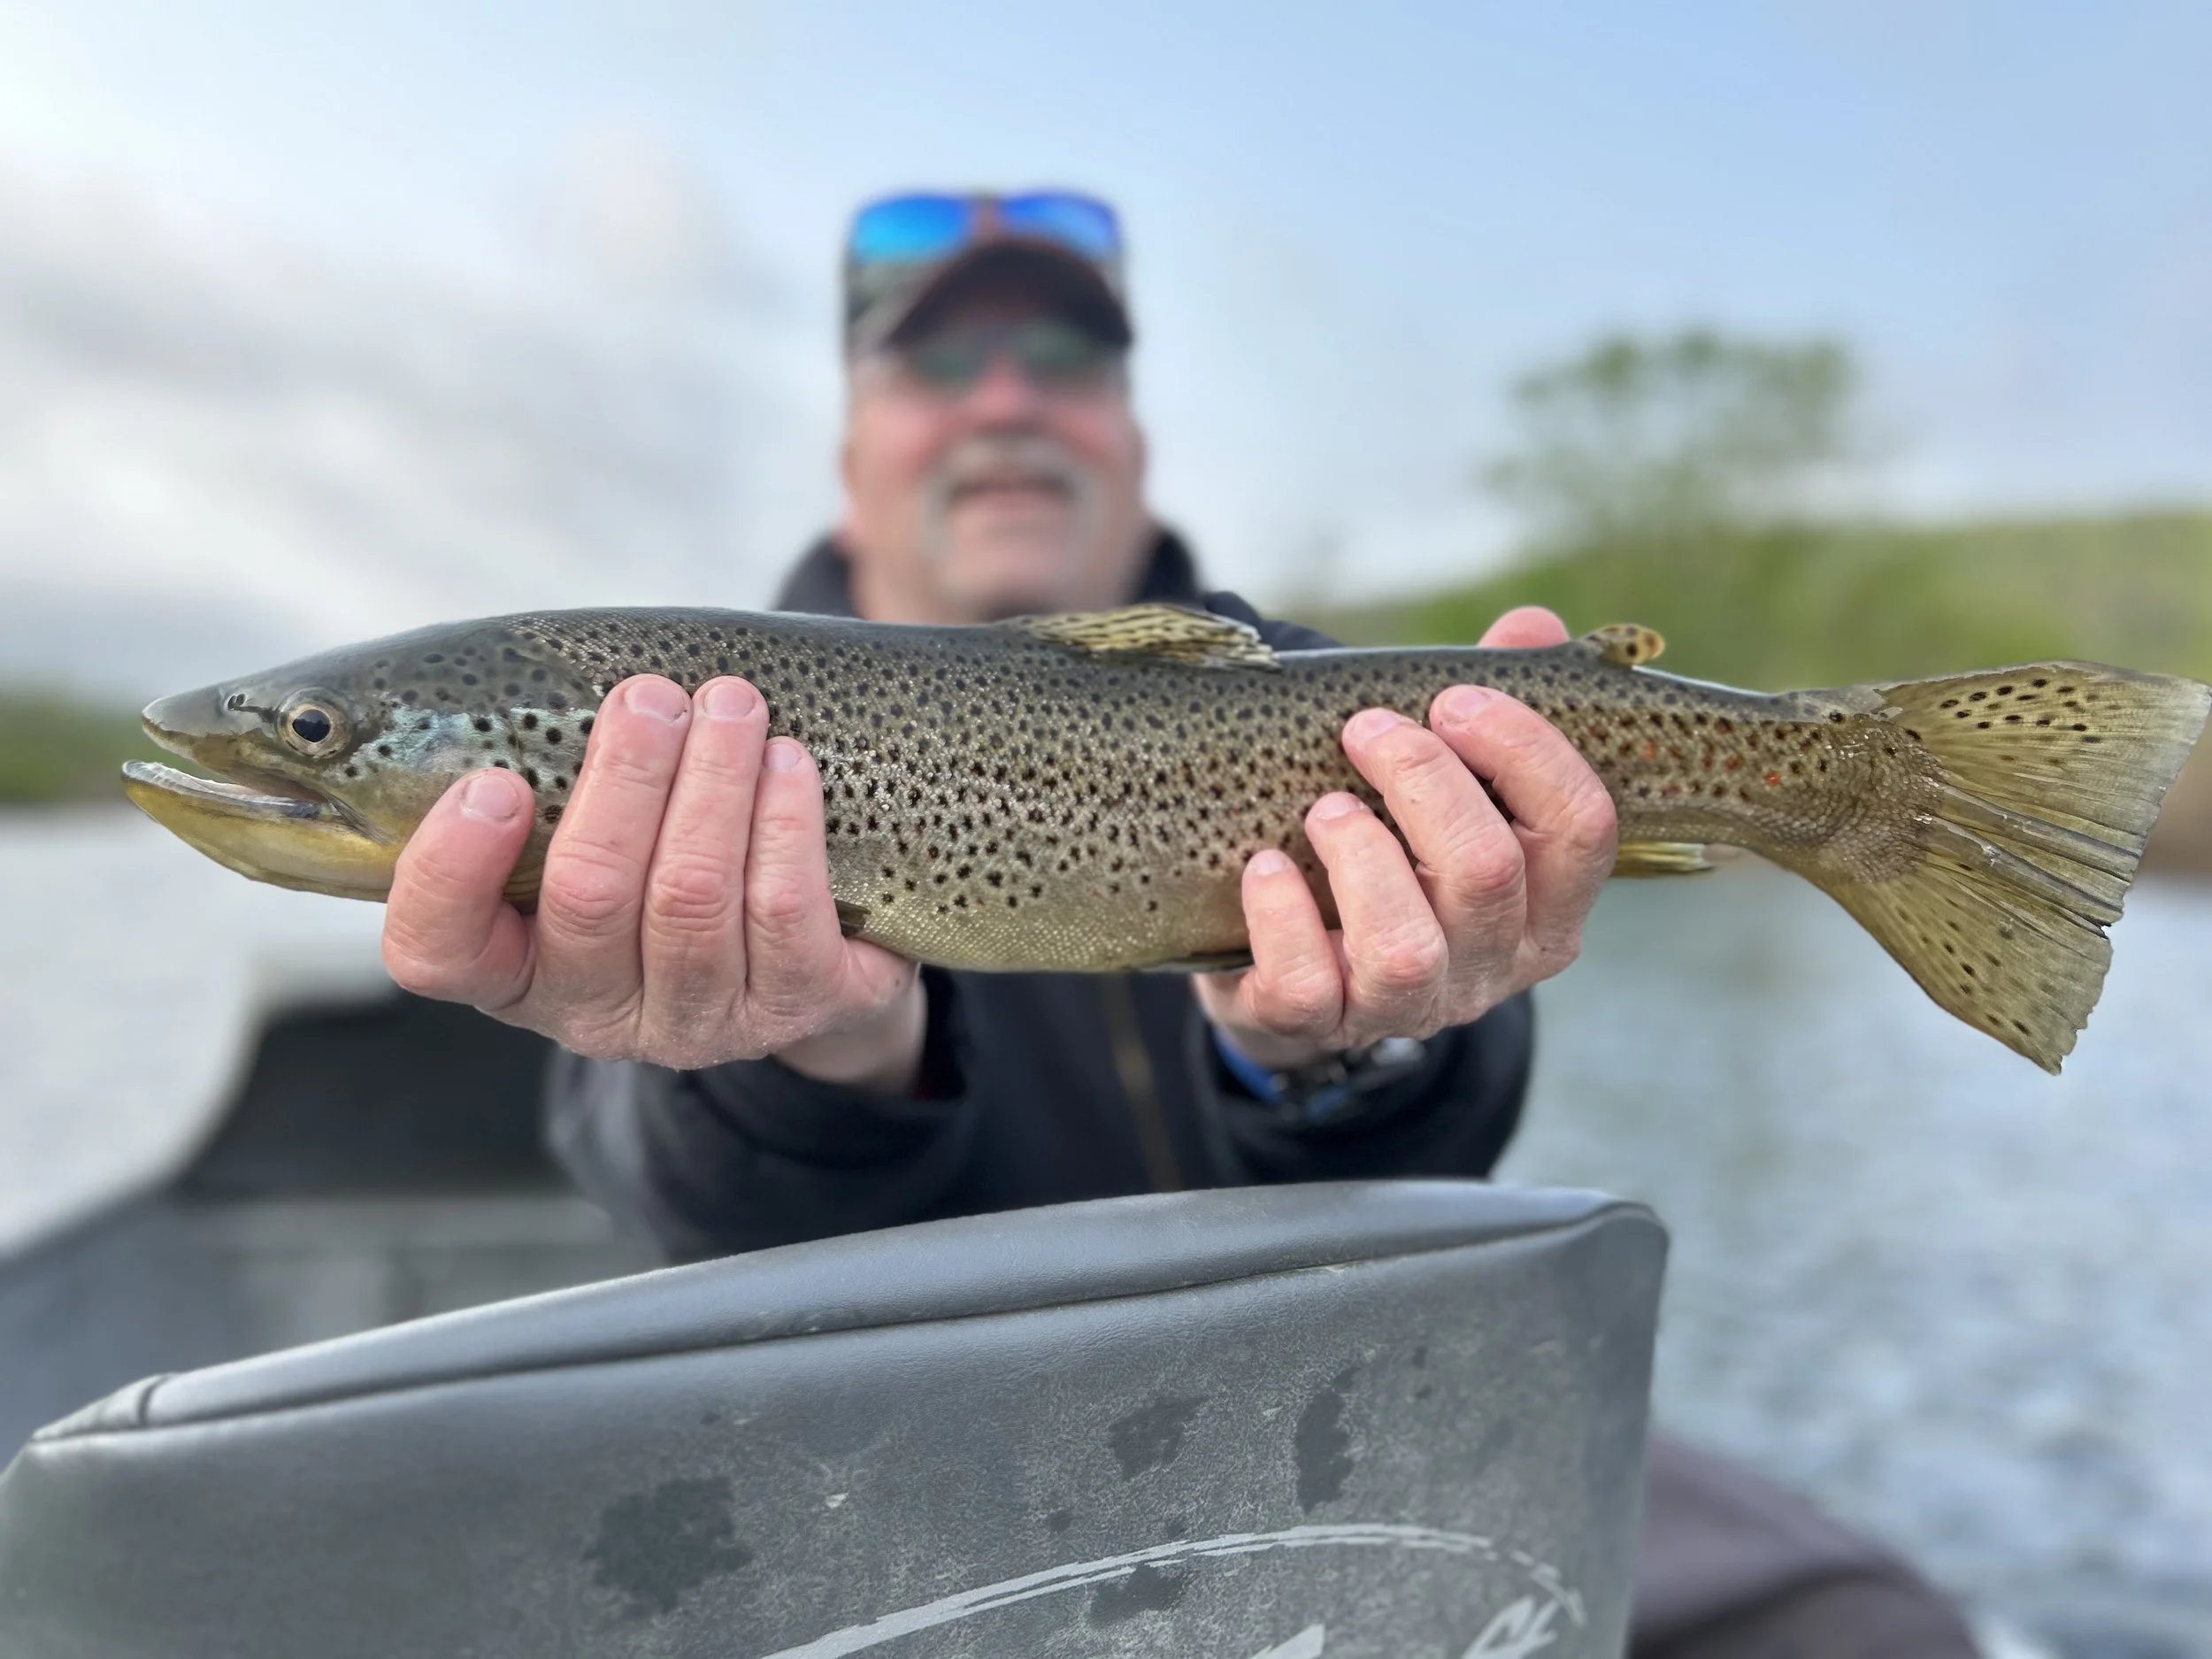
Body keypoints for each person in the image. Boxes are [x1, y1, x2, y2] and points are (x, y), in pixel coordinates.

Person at [380, 189, 1983, 1659]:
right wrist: (817, 1050)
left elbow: (1452, 1135)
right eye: (940, 361)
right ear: (853, 439)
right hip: (910, 1492)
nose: (1008, 396)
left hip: (1343, 1427)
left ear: (1133, 429)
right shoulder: (678, 742)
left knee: (1872, 1632)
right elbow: (636, 1158)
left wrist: (1346, 1054)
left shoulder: (1320, 691)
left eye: (1067, 356)